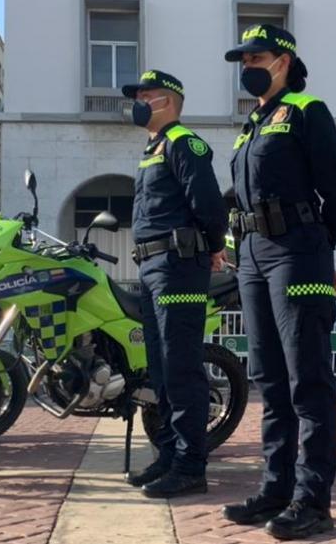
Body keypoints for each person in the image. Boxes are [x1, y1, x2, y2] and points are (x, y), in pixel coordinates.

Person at [219, 24, 336, 540]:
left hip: (297, 253)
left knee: (307, 382)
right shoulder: (252, 124)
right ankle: (275, 488)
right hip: (252, 257)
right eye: (243, 60)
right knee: (270, 382)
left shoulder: (306, 111)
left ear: (283, 61)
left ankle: (312, 499)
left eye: (257, 58)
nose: (248, 67)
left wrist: (321, 251)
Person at [121, 69, 228, 499]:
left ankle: (190, 466)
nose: (138, 101)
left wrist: (215, 245)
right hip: (151, 267)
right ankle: (168, 455)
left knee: (182, 366)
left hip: (178, 264)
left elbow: (208, 203)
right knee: (161, 369)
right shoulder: (154, 148)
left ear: (167, 100)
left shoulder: (185, 142)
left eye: (145, 94)